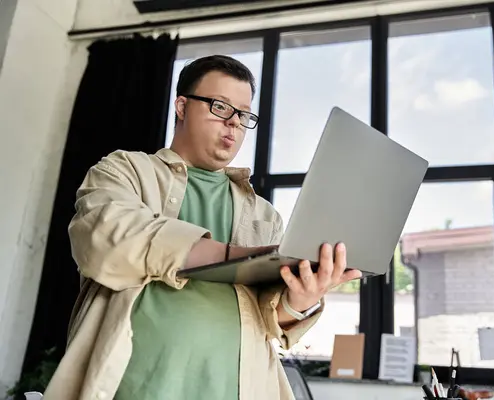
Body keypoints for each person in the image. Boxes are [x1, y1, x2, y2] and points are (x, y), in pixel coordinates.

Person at [43, 54, 362, 400]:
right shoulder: (125, 171)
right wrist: (235, 256)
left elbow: (272, 321)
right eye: (220, 107)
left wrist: (301, 298)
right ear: (181, 106)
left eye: (243, 114)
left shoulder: (264, 216)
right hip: (130, 389)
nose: (234, 124)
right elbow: (103, 238)